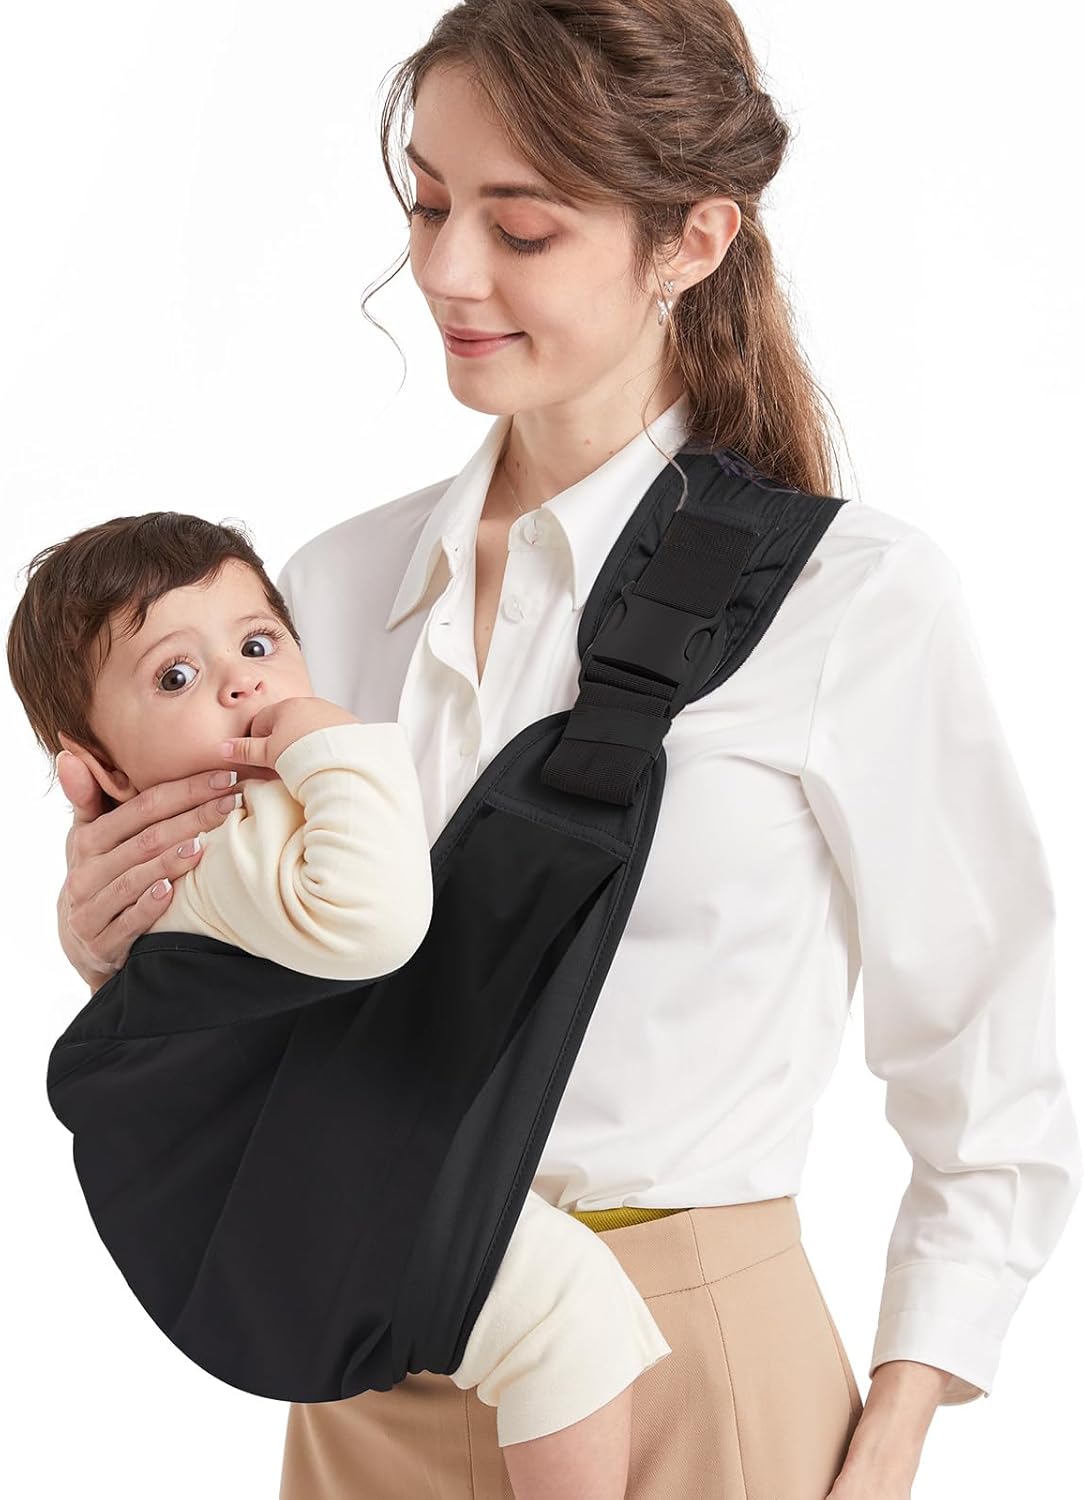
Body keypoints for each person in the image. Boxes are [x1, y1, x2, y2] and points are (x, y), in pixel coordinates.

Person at [47, 2, 1082, 1496]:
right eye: (428, 205)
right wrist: (127, 956)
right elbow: (284, 998)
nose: (446, 272)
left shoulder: (852, 600)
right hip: (362, 1355)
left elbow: (986, 1048)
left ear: (693, 239)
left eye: (521, 228)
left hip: (684, 1365)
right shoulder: (319, 597)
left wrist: (899, 1423)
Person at [7, 512, 675, 1500]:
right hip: (361, 1194)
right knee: (564, 1317)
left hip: (336, 1173)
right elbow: (376, 923)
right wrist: (335, 746)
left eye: (257, 644)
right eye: (175, 676)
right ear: (100, 772)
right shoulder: (218, 834)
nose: (240, 683)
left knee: (563, 1316)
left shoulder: (228, 829)